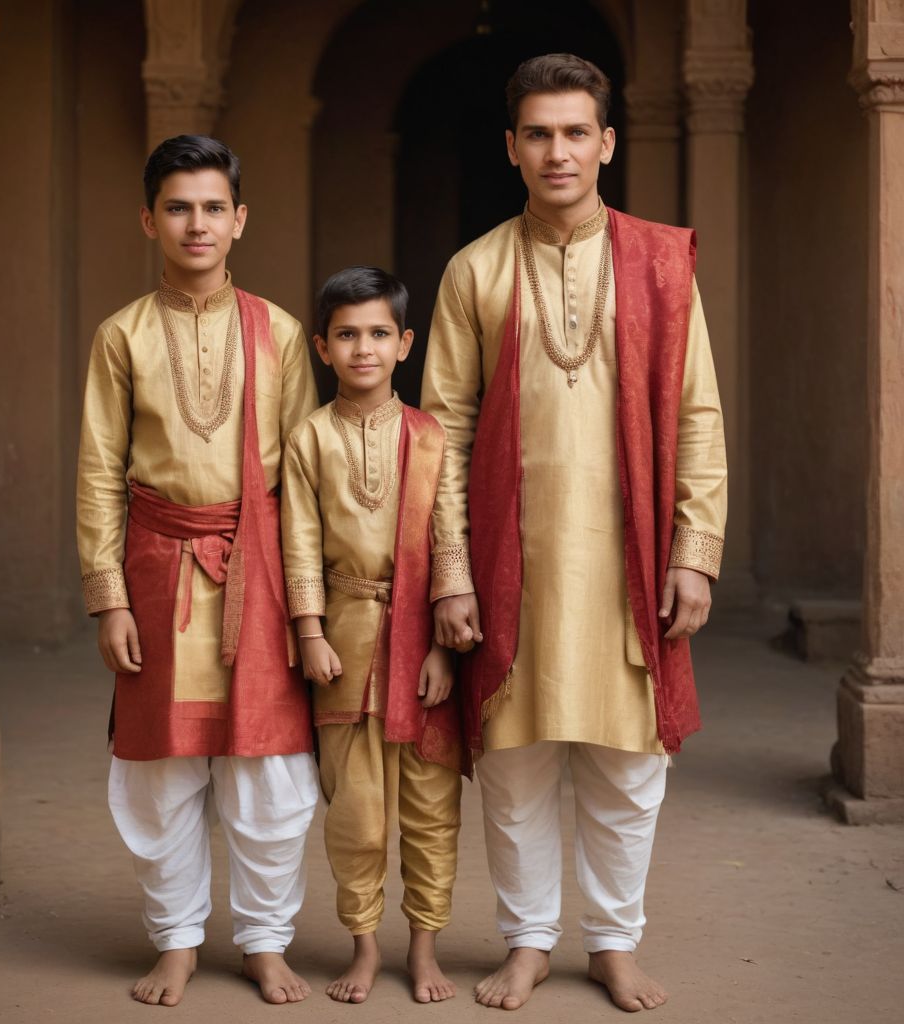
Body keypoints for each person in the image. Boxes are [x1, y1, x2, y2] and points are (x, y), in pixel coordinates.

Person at [421, 54, 727, 1012]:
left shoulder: (660, 262)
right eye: (539, 134)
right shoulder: (474, 268)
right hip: (514, 560)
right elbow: (442, 431)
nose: (559, 151)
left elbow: (697, 415)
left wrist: (694, 550)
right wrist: (453, 574)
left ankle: (612, 941)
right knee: (513, 762)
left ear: (606, 143)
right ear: (512, 149)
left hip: (627, 559)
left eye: (575, 132)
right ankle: (527, 941)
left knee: (629, 763)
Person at [76, 134, 319, 1007]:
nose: (197, 223)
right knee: (162, 767)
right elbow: (101, 470)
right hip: (155, 565)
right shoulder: (122, 336)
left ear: (240, 220)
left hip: (259, 561)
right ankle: (176, 940)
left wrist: (306, 610)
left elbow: (306, 477)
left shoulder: (282, 332)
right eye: (178, 207)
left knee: (267, 769)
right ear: (150, 219)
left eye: (214, 207)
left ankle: (263, 940)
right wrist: (109, 600)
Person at [281, 267, 468, 1005]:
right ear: (322, 348)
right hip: (346, 646)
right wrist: (309, 633)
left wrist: (443, 646)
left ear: (405, 344)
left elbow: (449, 535)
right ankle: (363, 947)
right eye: (347, 335)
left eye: (379, 334)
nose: (364, 348)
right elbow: (299, 541)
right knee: (355, 811)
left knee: (430, 809)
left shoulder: (430, 436)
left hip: (423, 642)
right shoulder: (308, 439)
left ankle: (424, 948)